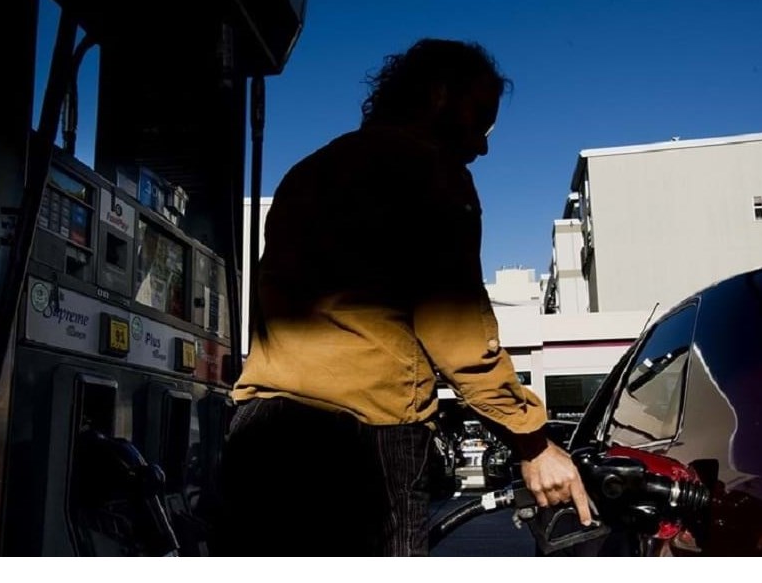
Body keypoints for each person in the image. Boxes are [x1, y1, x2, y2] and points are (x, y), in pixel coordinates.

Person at [221, 38, 591, 556]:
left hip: (258, 434)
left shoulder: (307, 174)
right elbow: (457, 332)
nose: (483, 145)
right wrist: (533, 443)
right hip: (361, 439)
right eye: (480, 119)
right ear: (439, 95)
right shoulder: (430, 171)